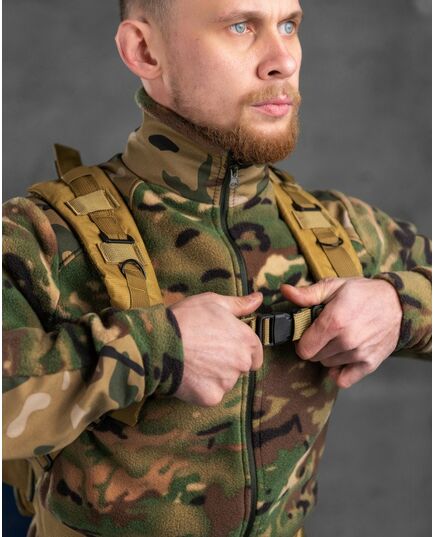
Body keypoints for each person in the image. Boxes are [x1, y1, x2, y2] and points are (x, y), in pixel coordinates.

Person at [2, 1, 431, 536]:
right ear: (144, 50)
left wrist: (401, 306)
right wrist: (152, 349)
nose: (283, 60)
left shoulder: (338, 228)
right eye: (240, 26)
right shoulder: (41, 236)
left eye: (289, 25)